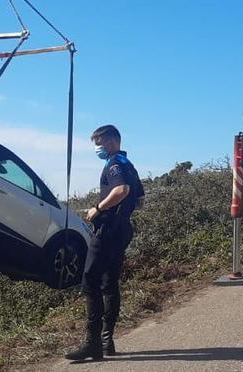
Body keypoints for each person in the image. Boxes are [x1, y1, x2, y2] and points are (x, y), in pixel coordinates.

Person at [66, 124, 140, 362]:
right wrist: (122, 213)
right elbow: (139, 200)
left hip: (108, 231)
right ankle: (107, 341)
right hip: (122, 229)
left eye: (100, 143)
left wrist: (98, 209)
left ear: (112, 141)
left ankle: (92, 344)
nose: (98, 148)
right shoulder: (130, 164)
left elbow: (122, 189)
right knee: (109, 282)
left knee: (90, 280)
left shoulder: (115, 164)